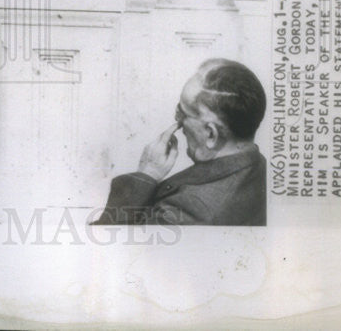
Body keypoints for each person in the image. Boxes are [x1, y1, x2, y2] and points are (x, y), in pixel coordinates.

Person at [94, 59, 267, 225]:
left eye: (183, 113)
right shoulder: (260, 168)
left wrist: (147, 174)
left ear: (211, 135)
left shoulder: (189, 212)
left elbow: (110, 249)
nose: (177, 120)